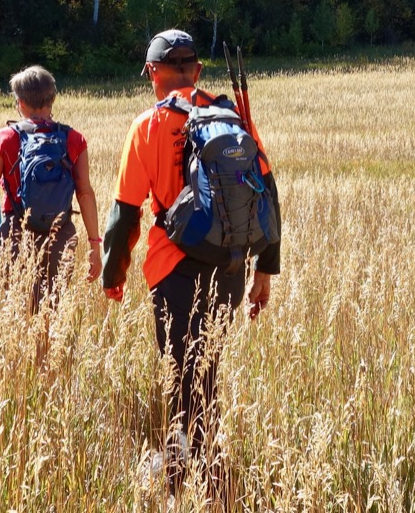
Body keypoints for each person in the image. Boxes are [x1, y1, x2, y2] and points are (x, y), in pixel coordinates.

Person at [101, 29, 280, 494]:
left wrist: (113, 276)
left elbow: (125, 214)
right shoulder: (233, 117)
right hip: (230, 266)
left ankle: (189, 478)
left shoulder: (147, 126)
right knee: (206, 369)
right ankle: (204, 472)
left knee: (181, 374)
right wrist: (264, 269)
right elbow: (266, 192)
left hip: (173, 270)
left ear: (152, 73)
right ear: (197, 71)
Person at [0, 65, 101, 311]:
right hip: (60, 235)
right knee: (52, 309)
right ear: (53, 99)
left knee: (18, 309)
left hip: (17, 234)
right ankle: (47, 338)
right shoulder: (74, 139)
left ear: (20, 102)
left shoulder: (6, 138)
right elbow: (85, 193)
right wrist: (94, 244)